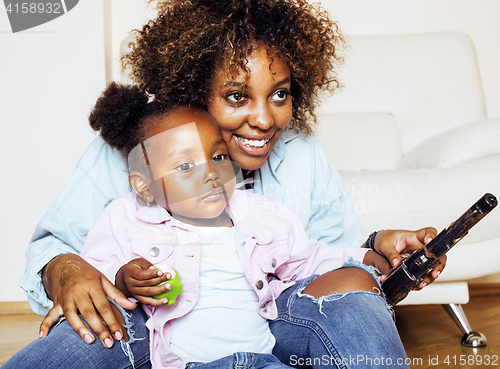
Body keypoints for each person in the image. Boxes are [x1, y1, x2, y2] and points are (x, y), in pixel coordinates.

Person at [10, 0, 445, 368]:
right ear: (194, 90)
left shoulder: (298, 156)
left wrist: (376, 252)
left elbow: (322, 258)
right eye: (237, 96)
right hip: (158, 327)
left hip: (269, 318)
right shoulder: (136, 149)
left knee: (357, 294)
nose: (265, 119)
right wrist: (70, 271)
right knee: (93, 328)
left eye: (280, 93)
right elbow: (63, 250)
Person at [79, 82, 397, 368]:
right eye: (186, 165)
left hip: (264, 360)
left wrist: (364, 257)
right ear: (144, 186)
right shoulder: (126, 218)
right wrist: (123, 278)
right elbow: (94, 274)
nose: (210, 174)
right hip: (189, 364)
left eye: (218, 157)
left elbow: (307, 259)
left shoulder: (261, 214)